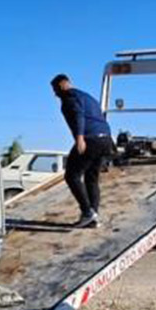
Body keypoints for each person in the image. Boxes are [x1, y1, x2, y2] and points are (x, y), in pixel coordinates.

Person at [51, 74, 113, 228]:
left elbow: (79, 115)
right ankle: (93, 217)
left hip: (90, 139)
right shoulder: (87, 97)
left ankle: (87, 212)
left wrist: (79, 138)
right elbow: (99, 116)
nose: (55, 94)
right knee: (92, 178)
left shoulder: (69, 97)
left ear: (62, 85)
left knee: (72, 176)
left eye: (55, 90)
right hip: (105, 139)